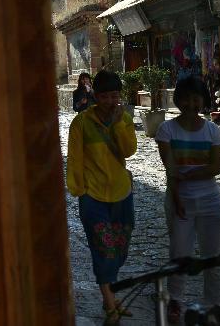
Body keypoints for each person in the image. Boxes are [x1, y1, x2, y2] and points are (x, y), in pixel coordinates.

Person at [66, 70, 137, 324]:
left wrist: (118, 123)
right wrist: (79, 191)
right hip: (93, 197)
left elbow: (129, 151)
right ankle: (109, 302)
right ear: (96, 96)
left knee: (120, 249)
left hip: (121, 193)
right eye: (105, 96)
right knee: (103, 249)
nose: (110, 101)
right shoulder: (82, 123)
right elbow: (75, 159)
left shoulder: (125, 119)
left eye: (114, 96)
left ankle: (111, 295)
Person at [155, 76, 220, 321]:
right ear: (178, 100)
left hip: (210, 200)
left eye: (196, 98)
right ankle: (176, 300)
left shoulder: (212, 130)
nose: (191, 103)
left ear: (203, 100)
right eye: (186, 98)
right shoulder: (167, 130)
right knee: (179, 252)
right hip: (179, 200)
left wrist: (189, 174)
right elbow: (170, 168)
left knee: (212, 254)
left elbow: (216, 167)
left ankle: (214, 302)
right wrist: (176, 195)